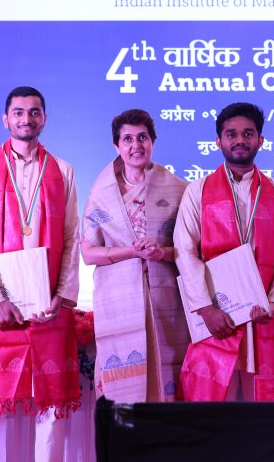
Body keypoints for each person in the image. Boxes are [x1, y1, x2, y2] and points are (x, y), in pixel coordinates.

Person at [0, 86, 80, 461]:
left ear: (44, 118)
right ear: (6, 119)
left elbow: (72, 236)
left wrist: (62, 296)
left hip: (48, 307)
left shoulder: (63, 170)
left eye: (34, 112)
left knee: (51, 406)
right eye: (18, 112)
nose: (26, 119)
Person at [174, 102, 274, 401]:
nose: (240, 140)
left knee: (260, 409)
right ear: (218, 141)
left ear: (261, 140)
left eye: (248, 133)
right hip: (217, 316)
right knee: (216, 405)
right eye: (231, 134)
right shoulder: (197, 191)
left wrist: (273, 303)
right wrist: (206, 309)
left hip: (263, 315)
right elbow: (185, 251)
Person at [81, 109, 189, 402]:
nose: (136, 145)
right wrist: (131, 252)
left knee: (168, 378)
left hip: (167, 298)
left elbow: (192, 250)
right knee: (124, 389)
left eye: (142, 137)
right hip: (119, 298)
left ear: (153, 142)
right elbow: (88, 253)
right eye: (127, 139)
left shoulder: (179, 189)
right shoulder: (101, 194)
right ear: (116, 146)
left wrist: (161, 252)